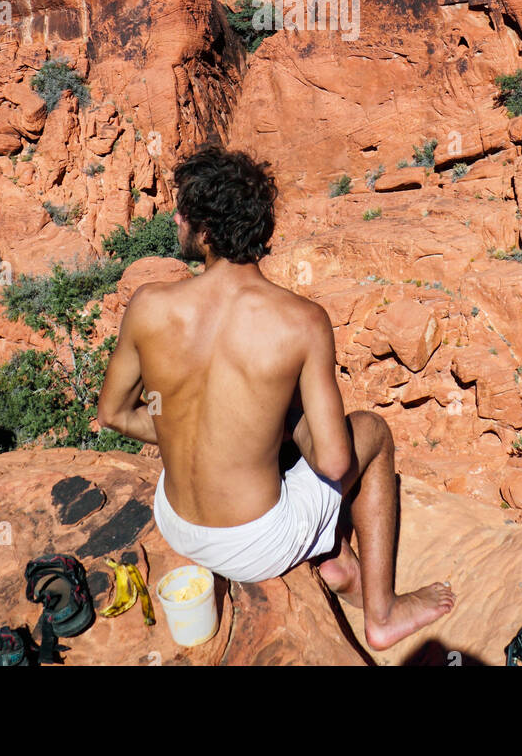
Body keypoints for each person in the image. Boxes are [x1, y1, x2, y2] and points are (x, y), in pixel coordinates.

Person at [97, 142, 454, 650]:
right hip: (256, 546)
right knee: (372, 430)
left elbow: (112, 412)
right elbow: (334, 461)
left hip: (177, 524)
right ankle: (383, 613)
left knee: (274, 430)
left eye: (184, 211)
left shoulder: (149, 304)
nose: (174, 216)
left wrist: (191, 427)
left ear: (205, 231)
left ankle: (338, 564)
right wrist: (272, 428)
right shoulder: (301, 321)